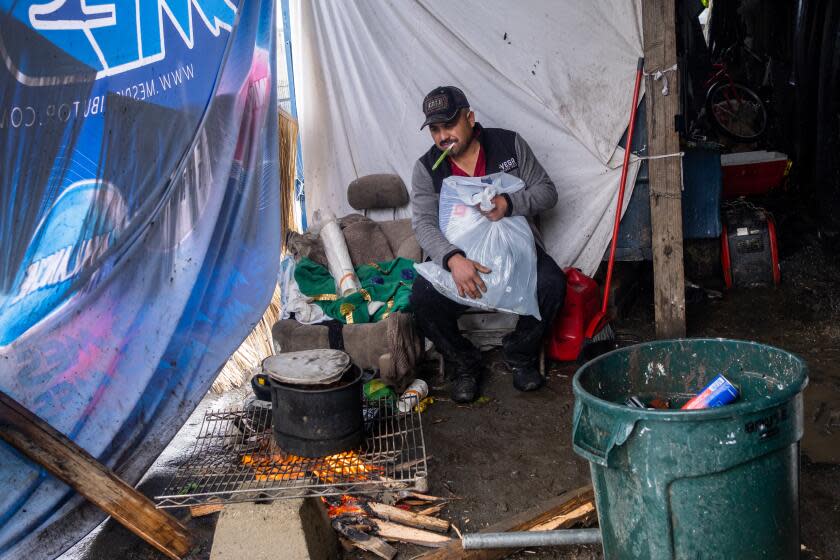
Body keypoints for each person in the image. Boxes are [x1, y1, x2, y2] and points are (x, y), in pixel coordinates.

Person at [409, 85, 566, 403]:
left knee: (552, 284)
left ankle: (520, 353)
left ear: (470, 118)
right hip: (466, 264)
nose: (443, 137)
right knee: (422, 302)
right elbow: (423, 223)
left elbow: (548, 193)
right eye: (435, 130)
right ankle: (466, 363)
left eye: (449, 125)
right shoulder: (427, 168)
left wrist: (509, 203)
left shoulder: (507, 145)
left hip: (516, 254)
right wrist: (453, 259)